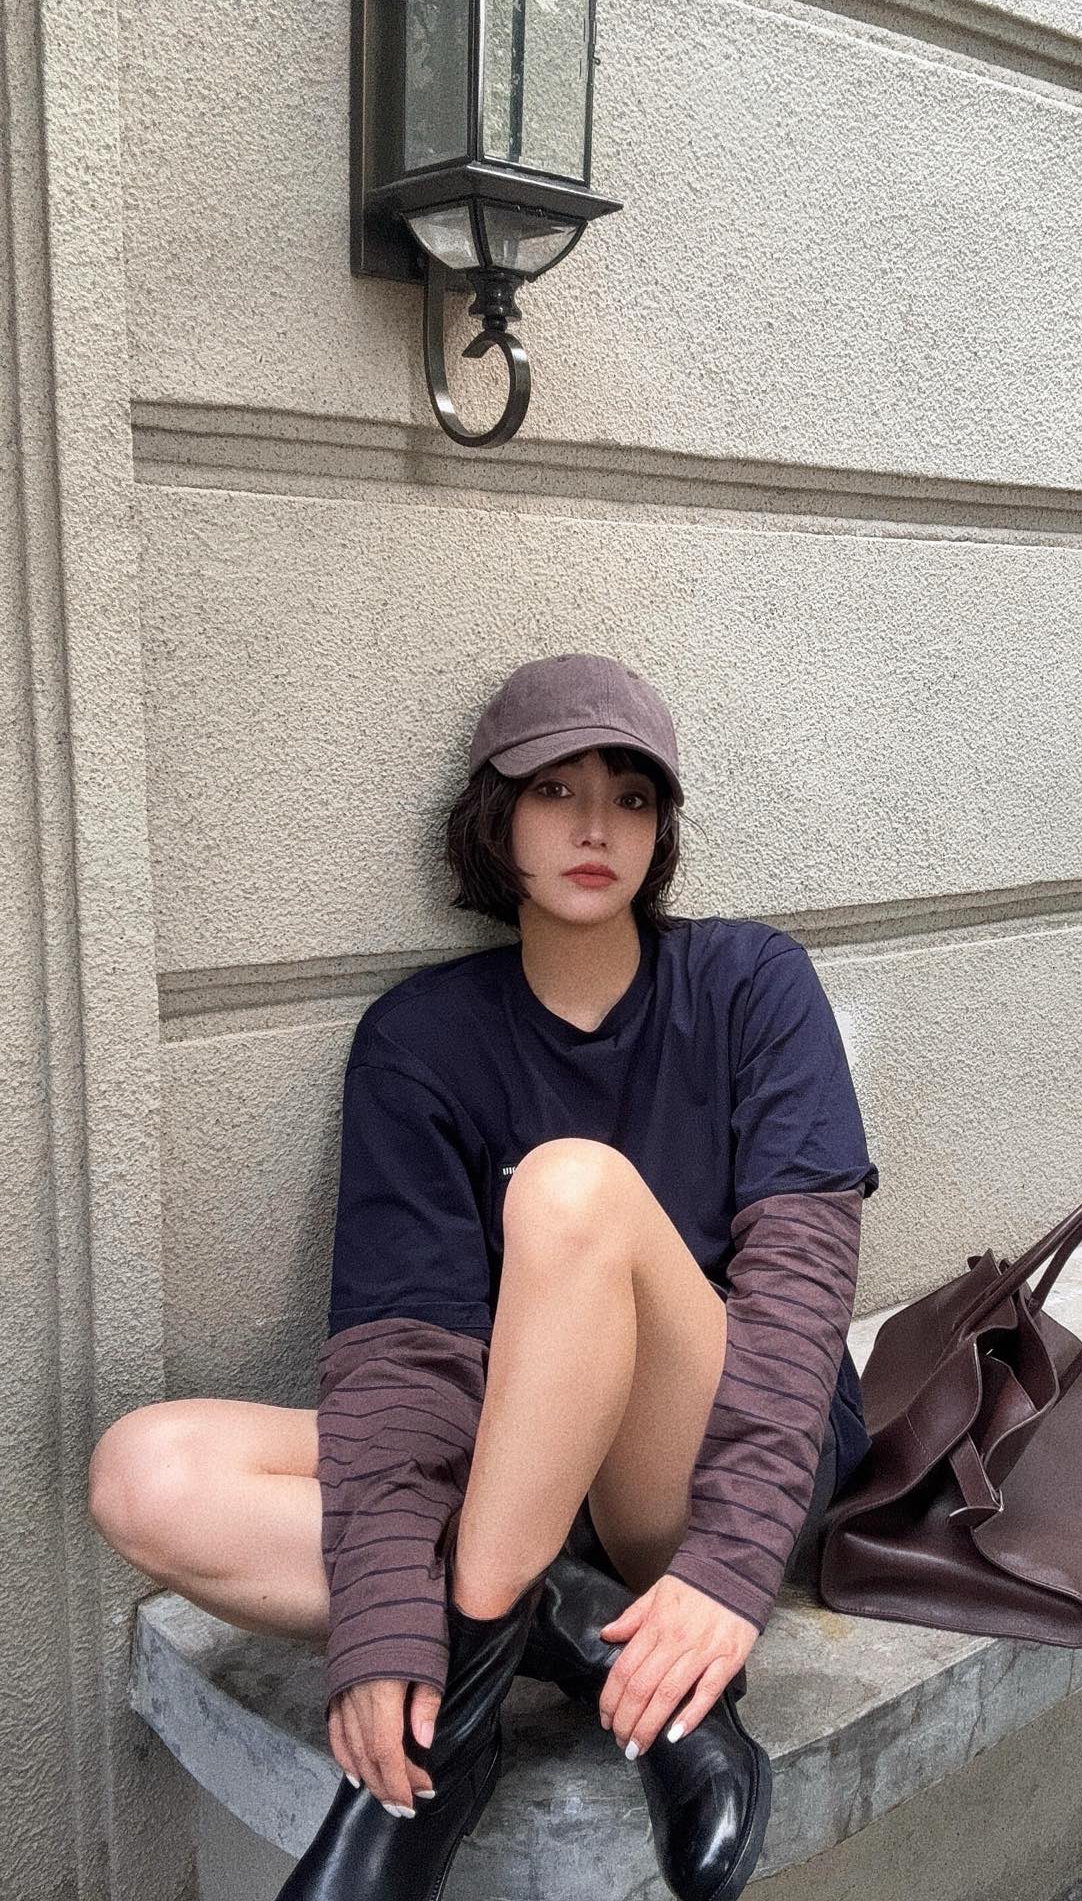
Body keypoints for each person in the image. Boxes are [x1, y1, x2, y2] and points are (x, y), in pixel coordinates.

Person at [88, 652, 880, 1901]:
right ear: (494, 817)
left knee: (572, 1190)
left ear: (662, 827)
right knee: (148, 1470)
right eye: (555, 789)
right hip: (520, 1471)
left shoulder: (750, 985)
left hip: (709, 1459)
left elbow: (799, 1293)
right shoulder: (419, 1039)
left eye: (630, 796)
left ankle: (435, 1767)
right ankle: (575, 1632)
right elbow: (406, 1359)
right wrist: (382, 1612)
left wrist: (730, 1568)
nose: (595, 826)